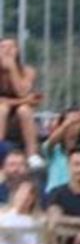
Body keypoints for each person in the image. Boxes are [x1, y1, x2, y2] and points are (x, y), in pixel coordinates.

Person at [0, 38, 43, 168]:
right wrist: (25, 100)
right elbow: (26, 98)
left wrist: (12, 67)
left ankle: (32, 155)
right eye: (3, 47)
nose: (7, 51)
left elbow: (23, 91)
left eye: (11, 47)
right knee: (2, 109)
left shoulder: (28, 71)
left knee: (24, 110)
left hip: (19, 115)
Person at [42, 107, 80, 193]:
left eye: (77, 123)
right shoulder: (55, 149)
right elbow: (50, 143)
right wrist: (66, 124)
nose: (73, 126)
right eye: (69, 122)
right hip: (56, 194)